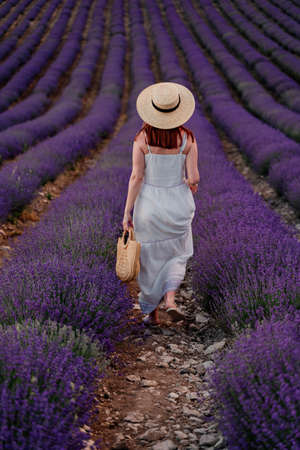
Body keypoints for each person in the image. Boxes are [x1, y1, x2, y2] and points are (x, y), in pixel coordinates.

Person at [122, 82, 200, 325]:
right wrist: (190, 182)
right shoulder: (187, 139)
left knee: (150, 259)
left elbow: (136, 177)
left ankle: (152, 314)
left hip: (150, 207)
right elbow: (194, 177)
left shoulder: (141, 139)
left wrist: (127, 212)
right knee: (177, 255)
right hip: (178, 205)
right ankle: (171, 300)